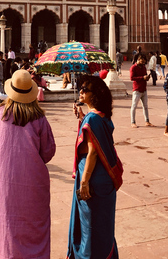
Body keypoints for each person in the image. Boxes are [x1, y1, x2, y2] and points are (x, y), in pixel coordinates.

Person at [0, 63, 56, 259]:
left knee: (3, 224)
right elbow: (48, 152)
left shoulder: (0, 114)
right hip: (31, 183)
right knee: (32, 227)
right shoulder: (39, 118)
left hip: (3, 180)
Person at [68, 75, 121, 259]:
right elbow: (96, 132)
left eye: (84, 89)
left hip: (92, 179)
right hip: (104, 178)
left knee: (89, 227)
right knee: (103, 225)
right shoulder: (101, 116)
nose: (80, 91)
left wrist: (84, 182)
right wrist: (83, 118)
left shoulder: (93, 119)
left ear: (94, 95)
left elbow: (92, 152)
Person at [129, 53, 153, 128]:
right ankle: (133, 122)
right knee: (134, 106)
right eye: (142, 61)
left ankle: (147, 121)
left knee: (145, 106)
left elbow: (145, 75)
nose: (143, 63)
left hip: (144, 89)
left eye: (144, 62)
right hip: (137, 89)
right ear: (138, 60)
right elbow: (132, 78)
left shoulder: (143, 67)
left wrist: (147, 77)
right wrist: (142, 78)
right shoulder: (133, 68)